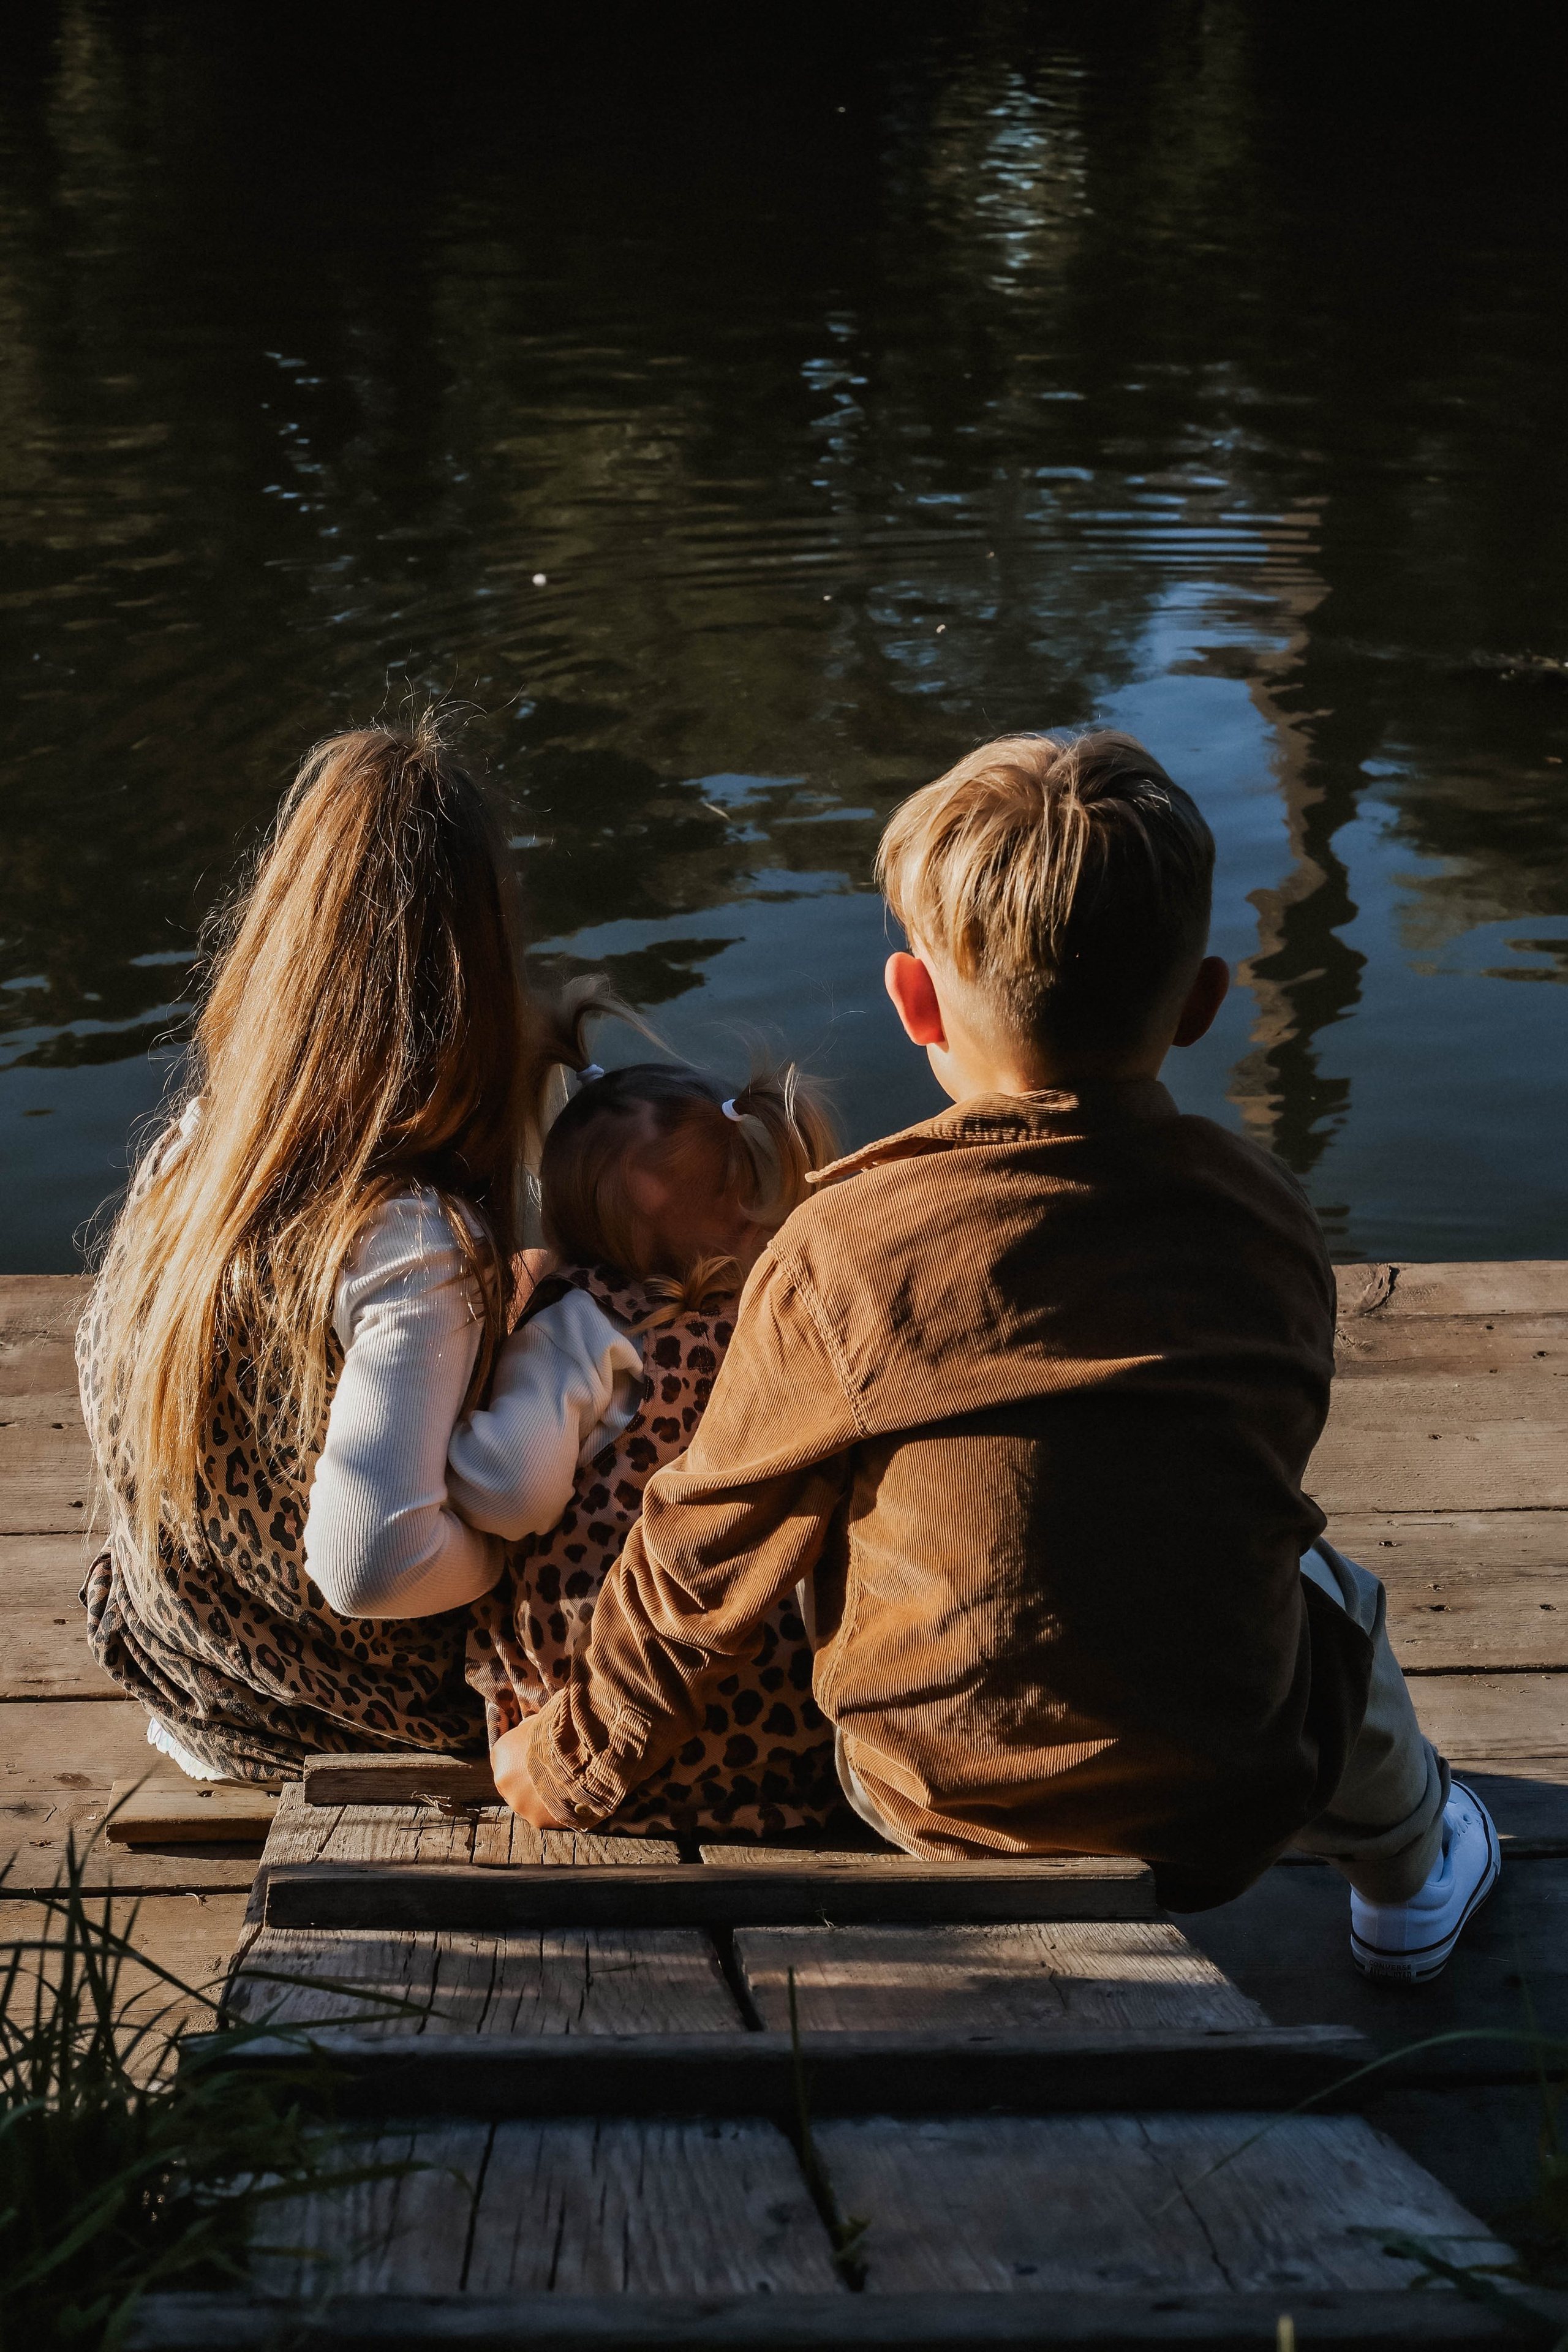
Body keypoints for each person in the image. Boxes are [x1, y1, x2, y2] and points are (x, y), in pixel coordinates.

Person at [492, 729, 1499, 1984]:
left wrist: (569, 1762)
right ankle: (1408, 1878)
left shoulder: (840, 1249)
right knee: (1327, 1592)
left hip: (934, 1803)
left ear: (911, 1001)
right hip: (1226, 1813)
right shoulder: (1267, 1217)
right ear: (1201, 1002)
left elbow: (700, 1554)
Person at [78, 717, 631, 1782]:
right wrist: (500, 1546)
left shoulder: (198, 1155)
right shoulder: (411, 1244)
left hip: (186, 1669)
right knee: (623, 1366)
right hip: (350, 1713)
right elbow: (373, 1561)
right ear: (479, 974)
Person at [458, 1002, 847, 1838]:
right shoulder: (778, 1319)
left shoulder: (581, 1324)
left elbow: (511, 1492)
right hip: (783, 1725)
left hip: (601, 1731)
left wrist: (453, 1435)